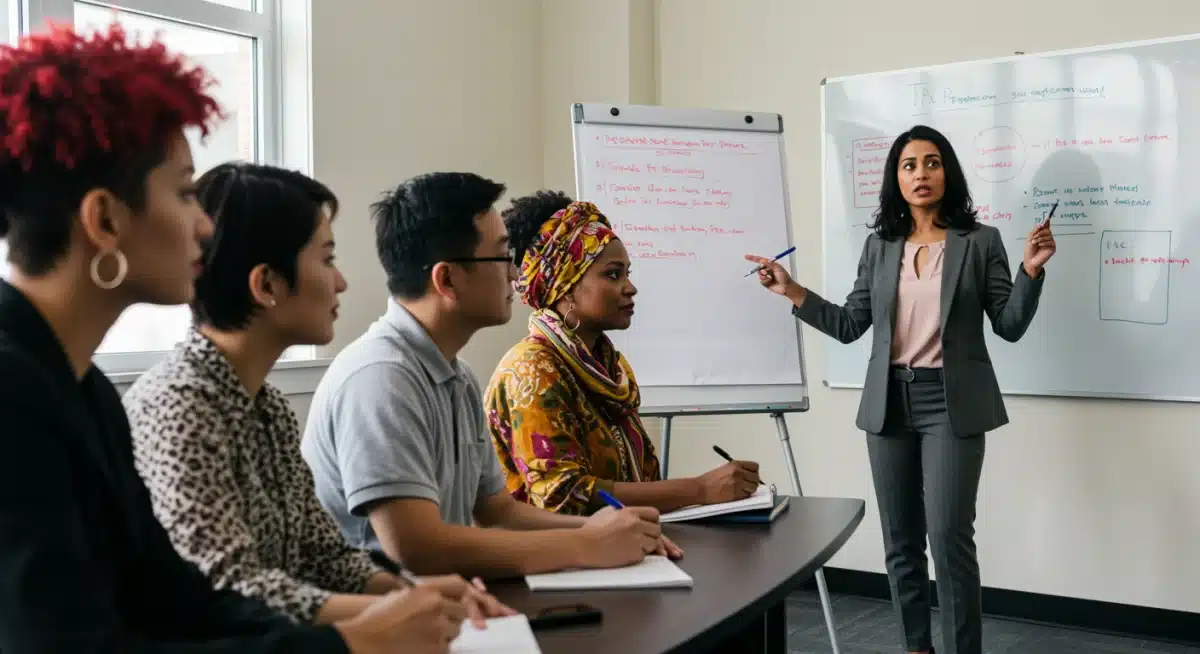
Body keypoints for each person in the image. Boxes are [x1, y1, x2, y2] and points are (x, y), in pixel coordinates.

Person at [0, 24, 465, 653]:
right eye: (185, 191)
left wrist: (396, 612)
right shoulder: (17, 398)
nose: (202, 223)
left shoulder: (83, 392)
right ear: (105, 219)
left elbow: (178, 598)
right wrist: (351, 643)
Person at [124, 162, 513, 628]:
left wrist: (412, 590)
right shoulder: (179, 406)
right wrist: (394, 608)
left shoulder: (266, 406)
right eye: (327, 259)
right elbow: (227, 586)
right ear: (267, 284)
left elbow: (322, 555)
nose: (342, 282)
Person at [747, 125, 1056, 654]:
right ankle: (916, 647)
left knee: (950, 542)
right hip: (889, 402)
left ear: (947, 173)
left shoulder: (981, 243)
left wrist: (1030, 271)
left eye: (931, 163)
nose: (921, 174)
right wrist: (791, 290)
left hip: (951, 404)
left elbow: (1008, 324)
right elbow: (850, 324)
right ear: (896, 177)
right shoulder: (880, 246)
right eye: (909, 165)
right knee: (901, 544)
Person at [301, 172, 681, 580]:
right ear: (446, 279)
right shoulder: (380, 378)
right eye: (502, 257)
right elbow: (416, 548)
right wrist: (585, 543)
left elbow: (497, 511)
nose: (516, 275)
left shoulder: (456, 375)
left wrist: (610, 531)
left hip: (443, 604)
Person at [484, 190, 761, 514]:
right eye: (613, 274)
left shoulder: (608, 367)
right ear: (564, 286)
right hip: (560, 560)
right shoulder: (532, 372)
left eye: (627, 274)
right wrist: (698, 489)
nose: (630, 287)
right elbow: (563, 496)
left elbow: (642, 477)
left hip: (626, 549)